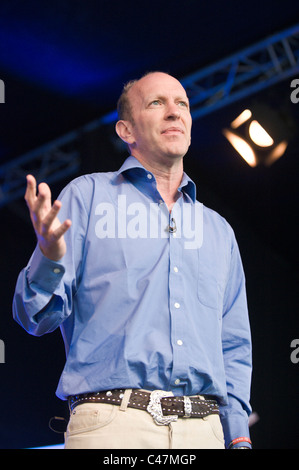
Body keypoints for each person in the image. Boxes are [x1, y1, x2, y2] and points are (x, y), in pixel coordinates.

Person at [13, 71, 252, 449]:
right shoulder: (88, 197)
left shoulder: (218, 230)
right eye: (157, 103)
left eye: (182, 104)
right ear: (126, 131)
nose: (174, 112)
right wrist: (49, 257)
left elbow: (234, 343)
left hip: (204, 431)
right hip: (114, 424)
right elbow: (34, 318)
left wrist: (237, 434)